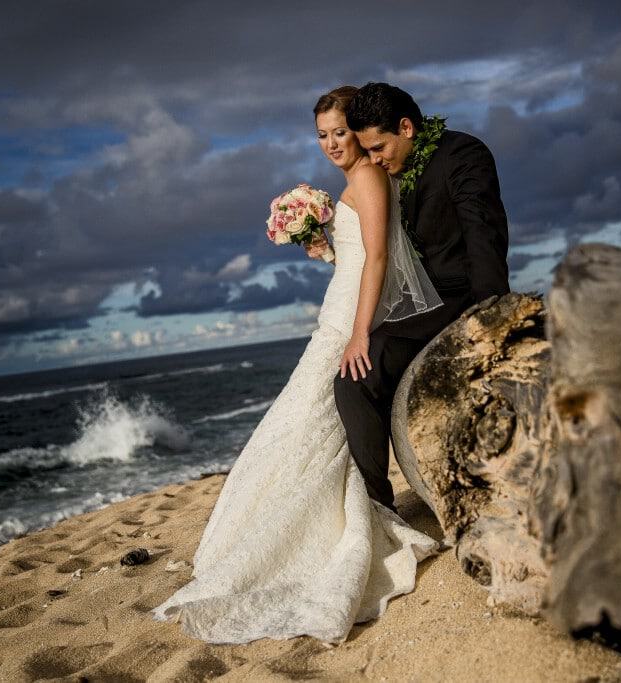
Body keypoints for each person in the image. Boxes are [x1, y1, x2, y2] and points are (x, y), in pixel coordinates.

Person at [151, 86, 441, 644]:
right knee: (306, 416)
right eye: (323, 135)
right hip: (340, 304)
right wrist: (325, 249)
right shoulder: (355, 181)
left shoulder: (370, 177)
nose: (333, 144)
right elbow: (357, 256)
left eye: (340, 132)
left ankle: (338, 524)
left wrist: (360, 334)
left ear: (359, 130)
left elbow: (380, 255)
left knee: (316, 415)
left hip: (350, 320)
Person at [332, 82, 510, 511]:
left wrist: (488, 317)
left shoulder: (463, 155)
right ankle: (376, 508)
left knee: (359, 374)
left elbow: (484, 237)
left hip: (458, 299)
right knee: (352, 372)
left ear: (406, 128)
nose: (373, 159)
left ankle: (378, 509)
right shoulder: (395, 167)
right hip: (417, 302)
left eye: (377, 147)